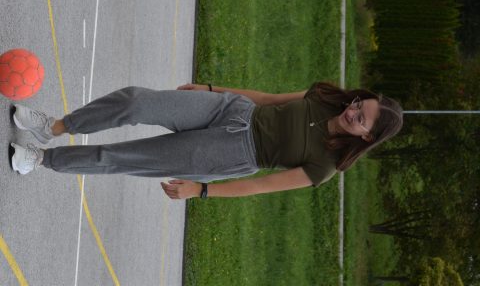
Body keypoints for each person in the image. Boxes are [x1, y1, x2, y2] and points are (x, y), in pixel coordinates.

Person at [9, 82, 403, 200]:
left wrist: (201, 191)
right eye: (358, 104)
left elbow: (259, 185)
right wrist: (212, 89)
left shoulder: (325, 166)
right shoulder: (324, 97)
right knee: (135, 101)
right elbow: (267, 99)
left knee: (124, 157)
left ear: (367, 136)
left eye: (360, 118)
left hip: (232, 153)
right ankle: (54, 127)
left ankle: (41, 158)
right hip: (232, 110)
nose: (352, 111)